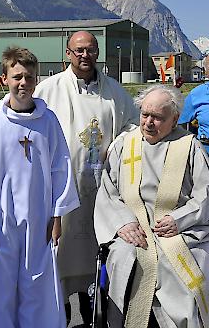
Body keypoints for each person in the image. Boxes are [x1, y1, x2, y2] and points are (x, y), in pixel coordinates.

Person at [0, 47, 80, 328]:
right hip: (2, 218)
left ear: (37, 80)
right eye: (17, 77)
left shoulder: (48, 121)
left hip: (39, 217)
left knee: (36, 280)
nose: (23, 83)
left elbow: (60, 167)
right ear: (4, 79)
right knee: (0, 282)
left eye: (29, 77)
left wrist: (58, 215)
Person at [94, 85, 209, 328]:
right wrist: (123, 222)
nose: (148, 123)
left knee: (176, 263)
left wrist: (180, 219)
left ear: (175, 119)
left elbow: (207, 195)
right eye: (145, 115)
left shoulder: (189, 146)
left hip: (181, 229)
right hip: (135, 228)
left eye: (157, 117)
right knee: (123, 256)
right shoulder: (126, 144)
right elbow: (108, 191)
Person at [34, 30, 138, 323]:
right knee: (59, 267)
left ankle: (95, 318)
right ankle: (58, 318)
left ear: (97, 53)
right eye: (78, 50)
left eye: (90, 50)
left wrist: (116, 146)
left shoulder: (115, 92)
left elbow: (132, 127)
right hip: (60, 193)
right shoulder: (49, 89)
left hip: (100, 191)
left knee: (97, 268)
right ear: (67, 53)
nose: (84, 55)